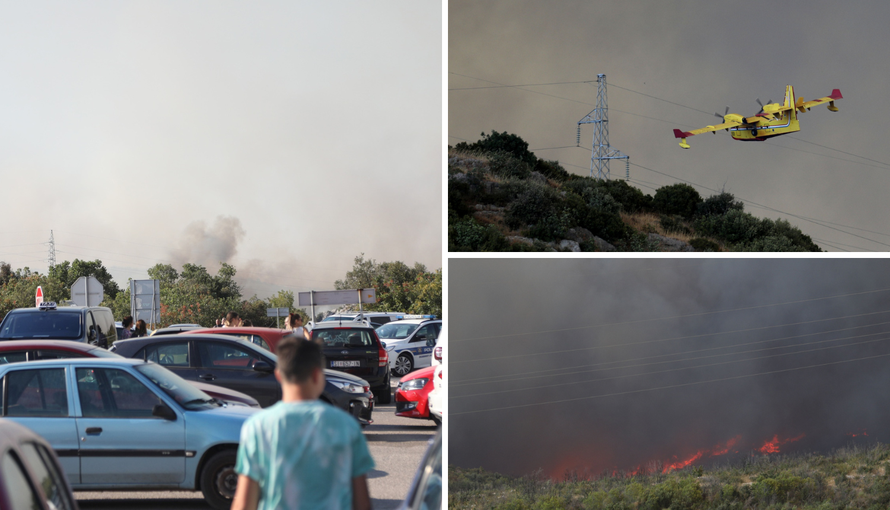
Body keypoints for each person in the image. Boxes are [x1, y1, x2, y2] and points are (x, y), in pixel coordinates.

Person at [232, 337, 373, 510]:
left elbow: (244, 503)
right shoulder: (346, 426)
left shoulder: (257, 427)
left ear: (278, 375)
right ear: (316, 375)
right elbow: (362, 503)